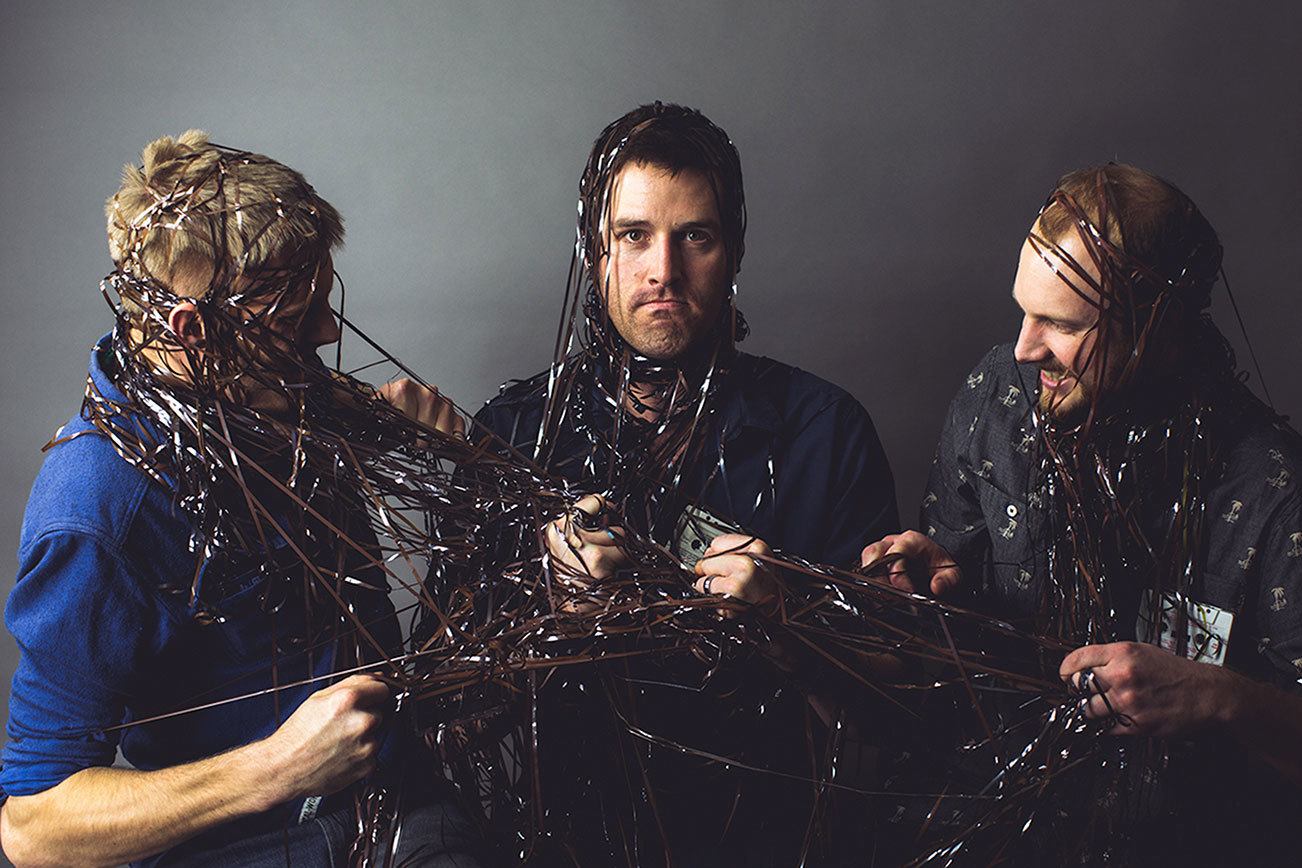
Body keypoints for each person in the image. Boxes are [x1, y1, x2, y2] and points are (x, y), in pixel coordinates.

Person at [0, 131, 481, 867]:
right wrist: (276, 769)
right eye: (294, 319)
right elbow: (34, 828)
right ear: (193, 331)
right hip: (245, 846)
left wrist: (450, 454)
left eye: (324, 301)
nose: (328, 331)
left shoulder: (275, 396)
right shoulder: (98, 510)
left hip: (402, 808)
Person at [471, 102, 898, 864]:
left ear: (733, 251)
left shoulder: (825, 433)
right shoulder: (514, 435)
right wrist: (548, 605)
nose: (663, 271)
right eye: (634, 236)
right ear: (594, 251)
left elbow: (889, 715)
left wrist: (787, 623)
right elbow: (448, 721)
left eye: (694, 236)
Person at [862, 163, 1302, 864]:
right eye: (1024, 311)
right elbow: (946, 668)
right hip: (995, 827)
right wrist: (944, 588)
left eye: (1062, 324)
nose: (1024, 347)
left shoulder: (1273, 490)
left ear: (1157, 328)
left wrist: (1219, 698)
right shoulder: (998, 398)